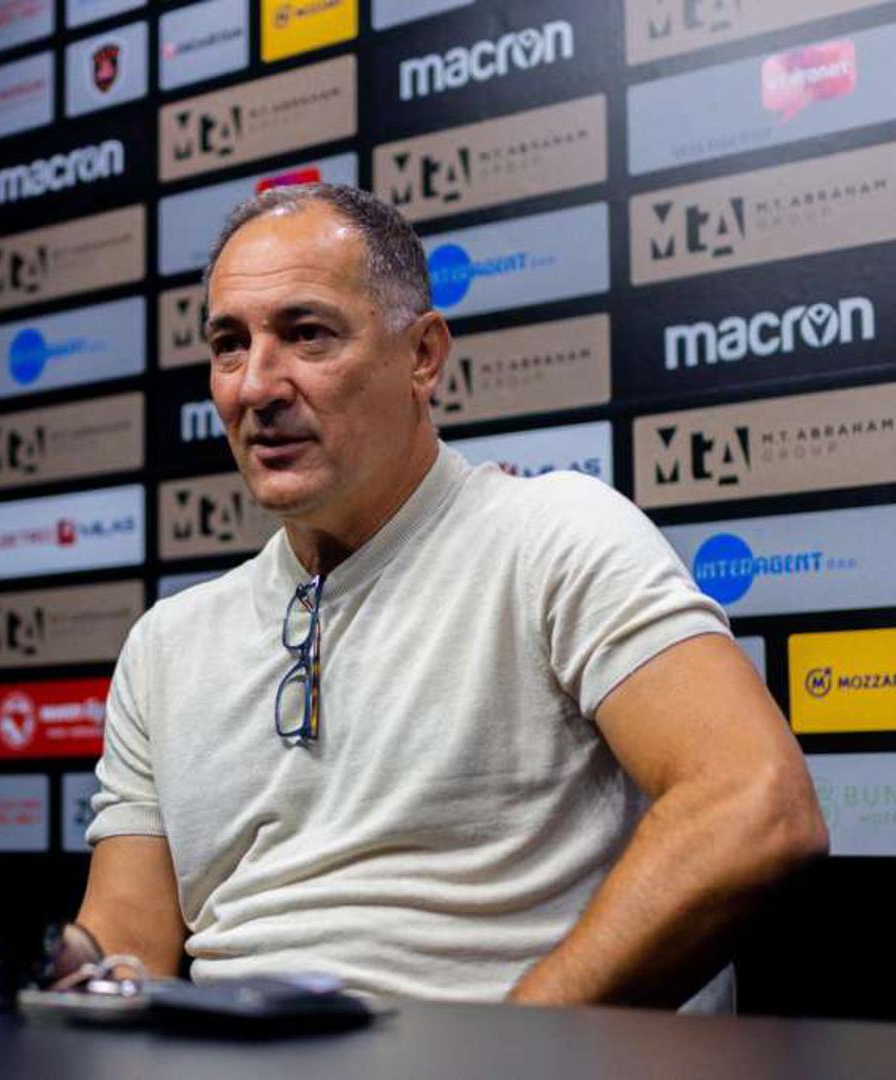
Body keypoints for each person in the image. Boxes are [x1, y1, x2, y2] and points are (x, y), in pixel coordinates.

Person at [73, 184, 827, 1011]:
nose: (256, 385)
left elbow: (754, 802)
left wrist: (510, 1053)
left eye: (307, 334)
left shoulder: (552, 536)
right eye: (229, 344)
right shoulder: (167, 644)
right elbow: (125, 949)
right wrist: (50, 973)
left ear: (423, 357)